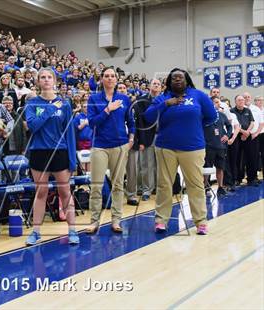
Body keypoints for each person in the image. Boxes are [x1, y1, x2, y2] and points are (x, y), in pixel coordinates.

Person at [144, 68, 217, 235]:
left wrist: (194, 126)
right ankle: (161, 221)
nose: (177, 80)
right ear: (169, 81)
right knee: (164, 185)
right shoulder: (163, 97)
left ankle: (200, 222)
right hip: (165, 148)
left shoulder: (198, 95)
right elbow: (148, 116)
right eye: (174, 78)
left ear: (186, 80)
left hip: (193, 148)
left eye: (180, 78)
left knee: (196, 185)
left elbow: (211, 116)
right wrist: (165, 104)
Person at [24, 68, 79, 245]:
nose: (46, 80)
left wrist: (72, 159)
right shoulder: (32, 104)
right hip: (39, 152)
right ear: (38, 81)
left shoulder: (65, 104)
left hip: (60, 152)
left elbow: (69, 133)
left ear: (54, 81)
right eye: (42, 77)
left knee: (65, 192)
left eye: (49, 77)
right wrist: (49, 109)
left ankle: (72, 230)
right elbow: (33, 126)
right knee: (41, 192)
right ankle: (36, 232)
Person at [86, 67, 135, 234]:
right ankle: (94, 221)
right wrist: (108, 109)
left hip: (120, 145)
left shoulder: (124, 98)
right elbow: (92, 123)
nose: (109, 78)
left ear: (116, 79)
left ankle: (116, 220)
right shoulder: (93, 98)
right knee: (96, 186)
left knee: (118, 186)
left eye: (112, 76)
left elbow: (131, 121)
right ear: (101, 79)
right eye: (106, 76)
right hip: (99, 146)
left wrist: (131, 138)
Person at [204, 96, 233, 197]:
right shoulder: (204, 115)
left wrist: (227, 135)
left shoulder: (222, 115)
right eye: (216, 102)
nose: (218, 104)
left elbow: (230, 126)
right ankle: (205, 187)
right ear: (210, 104)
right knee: (206, 168)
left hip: (220, 146)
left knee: (220, 168)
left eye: (219, 103)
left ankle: (220, 187)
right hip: (208, 146)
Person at [230, 95, 256, 186]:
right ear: (235, 101)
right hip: (237, 137)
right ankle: (238, 179)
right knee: (237, 158)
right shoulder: (231, 111)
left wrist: (247, 132)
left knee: (250, 158)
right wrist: (243, 132)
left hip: (247, 136)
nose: (241, 101)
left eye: (242, 100)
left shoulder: (248, 110)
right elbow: (233, 125)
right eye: (239, 100)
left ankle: (251, 179)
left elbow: (252, 122)